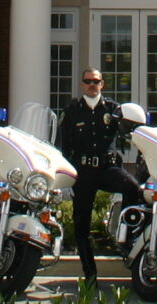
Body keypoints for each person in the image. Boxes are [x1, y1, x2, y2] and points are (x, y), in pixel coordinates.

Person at [54, 68, 141, 288]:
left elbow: (131, 132)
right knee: (81, 223)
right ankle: (89, 272)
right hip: (84, 173)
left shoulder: (113, 109)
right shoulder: (72, 111)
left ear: (102, 84)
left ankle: (126, 236)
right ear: (82, 85)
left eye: (96, 81)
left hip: (108, 168)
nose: (92, 85)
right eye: (88, 81)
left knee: (132, 188)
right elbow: (64, 145)